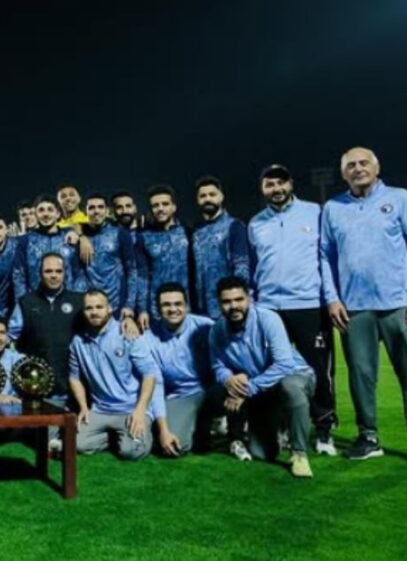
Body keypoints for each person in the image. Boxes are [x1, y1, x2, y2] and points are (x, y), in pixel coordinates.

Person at [321, 147, 407, 470]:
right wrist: (332, 298)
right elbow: (325, 256)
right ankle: (368, 437)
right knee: (361, 377)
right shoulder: (333, 208)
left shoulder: (400, 199)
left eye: (364, 163)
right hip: (354, 309)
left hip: (399, 305)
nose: (358, 168)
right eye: (351, 165)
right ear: (343, 173)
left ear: (377, 168)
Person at [248, 164, 338, 455]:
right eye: (269, 184)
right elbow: (253, 267)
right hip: (269, 308)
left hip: (309, 304)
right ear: (262, 189)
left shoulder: (315, 213)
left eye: (281, 183)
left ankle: (324, 429)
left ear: (291, 184)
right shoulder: (256, 223)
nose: (276, 189)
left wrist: (331, 297)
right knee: (272, 369)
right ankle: (282, 427)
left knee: (318, 369)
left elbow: (327, 258)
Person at [209, 277, 316, 478]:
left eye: (239, 299)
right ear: (219, 304)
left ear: (249, 299)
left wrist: (246, 389)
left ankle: (299, 453)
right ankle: (281, 425)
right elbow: (217, 365)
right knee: (262, 453)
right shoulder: (217, 330)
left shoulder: (268, 319)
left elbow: (284, 364)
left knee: (290, 388)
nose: (234, 306)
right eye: (227, 301)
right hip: (261, 387)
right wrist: (229, 380)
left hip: (295, 375)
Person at [68, 290, 165, 460]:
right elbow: (74, 377)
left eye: (99, 307)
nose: (94, 312)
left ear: (110, 308)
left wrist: (140, 410)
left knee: (131, 452)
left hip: (130, 408)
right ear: (83, 311)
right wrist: (83, 406)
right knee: (75, 444)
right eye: (89, 308)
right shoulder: (77, 342)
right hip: (101, 410)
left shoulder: (126, 332)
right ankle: (115, 437)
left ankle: (137, 434)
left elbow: (149, 374)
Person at [144, 283, 220, 456]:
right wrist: (164, 430)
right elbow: (156, 384)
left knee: (234, 383)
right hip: (181, 395)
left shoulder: (206, 327)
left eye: (178, 304)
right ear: (158, 309)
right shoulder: (148, 339)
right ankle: (201, 428)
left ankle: (231, 427)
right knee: (175, 446)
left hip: (213, 388)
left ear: (187, 306)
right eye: (166, 305)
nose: (173, 309)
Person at [9, 254, 86, 404]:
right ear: (40, 273)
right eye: (48, 271)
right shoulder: (26, 303)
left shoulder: (79, 301)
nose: (54, 276)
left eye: (58, 271)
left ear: (65, 273)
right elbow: (9, 337)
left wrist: (128, 320)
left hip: (72, 388)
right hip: (35, 386)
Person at [191, 176, 250, 319]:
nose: (207, 199)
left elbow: (242, 267)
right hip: (200, 308)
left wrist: (236, 302)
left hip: (226, 307)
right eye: (203, 196)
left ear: (221, 196)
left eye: (212, 194)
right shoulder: (195, 230)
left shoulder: (234, 226)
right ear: (197, 200)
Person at [135, 185, 192, 328]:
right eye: (155, 205)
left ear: (174, 207)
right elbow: (142, 277)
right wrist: (142, 310)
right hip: (157, 306)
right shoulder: (144, 238)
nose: (160, 208)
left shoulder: (188, 232)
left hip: (187, 303)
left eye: (165, 204)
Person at [75, 193, 138, 319]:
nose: (96, 211)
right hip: (89, 305)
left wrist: (129, 305)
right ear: (85, 212)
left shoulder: (120, 234)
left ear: (107, 211)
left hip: (117, 304)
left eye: (100, 207)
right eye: (91, 208)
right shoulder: (78, 236)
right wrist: (81, 237)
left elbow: (131, 270)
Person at [13, 195, 79, 300]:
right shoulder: (25, 241)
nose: (46, 214)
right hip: (36, 301)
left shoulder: (70, 238)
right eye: (41, 210)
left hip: (67, 301)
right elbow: (18, 274)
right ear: (36, 214)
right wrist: (23, 302)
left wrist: (77, 299)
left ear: (58, 214)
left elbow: (78, 272)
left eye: (50, 210)